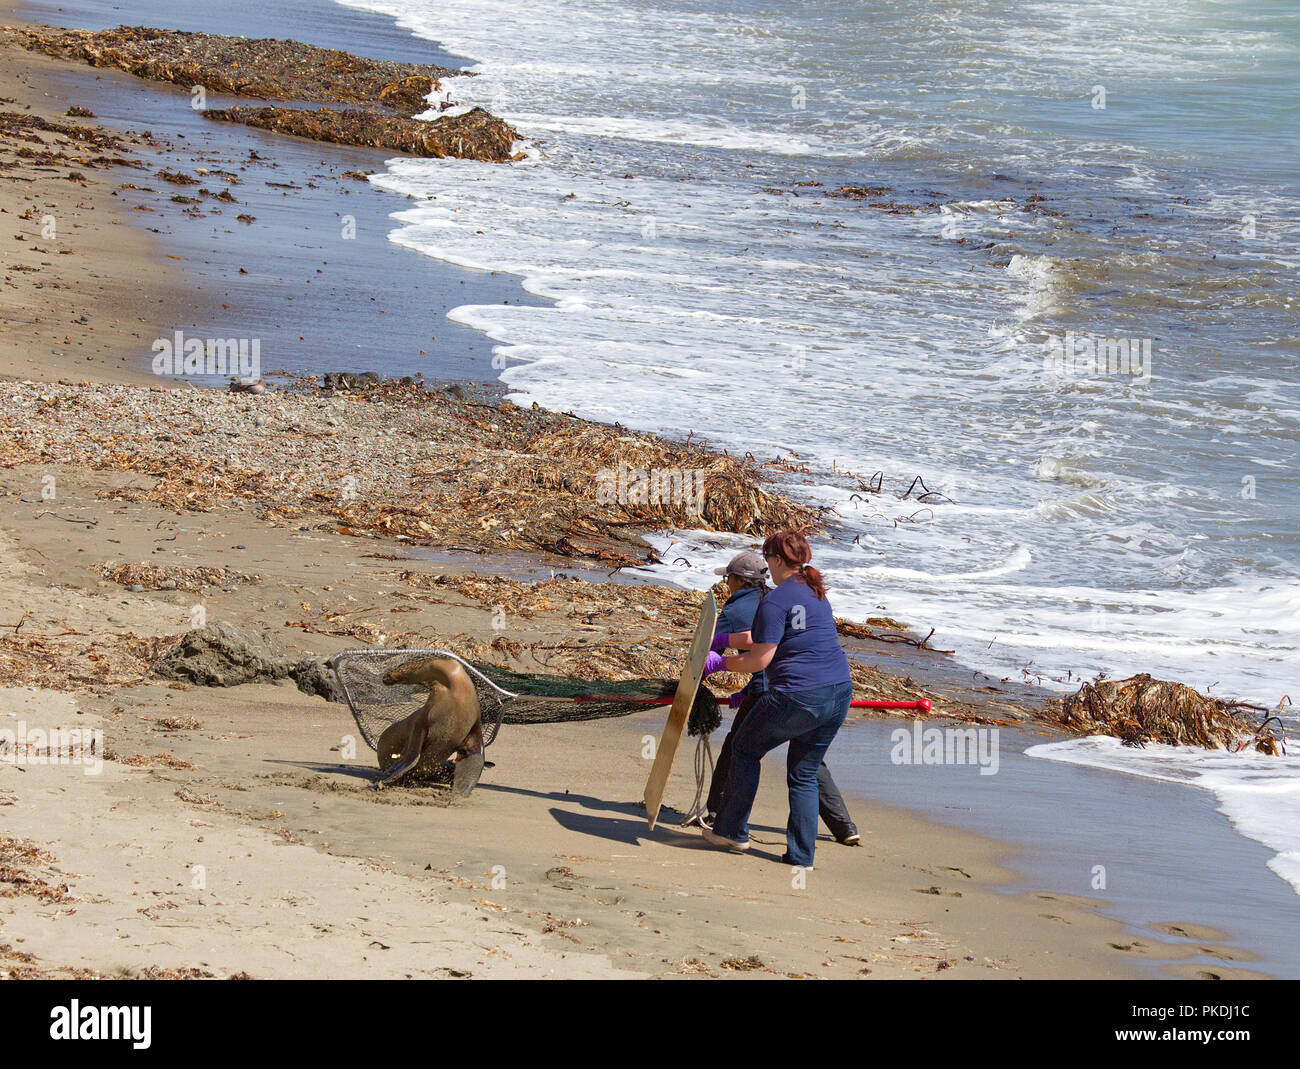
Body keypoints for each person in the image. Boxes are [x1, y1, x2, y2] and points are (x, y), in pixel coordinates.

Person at [700, 531, 854, 869]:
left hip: (798, 696)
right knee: (804, 772)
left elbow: (758, 660)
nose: (768, 565)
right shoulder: (816, 593)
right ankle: (801, 858)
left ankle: (732, 831)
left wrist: (720, 662)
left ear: (778, 561)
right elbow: (780, 643)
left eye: (769, 558)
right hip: (840, 691)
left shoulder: (776, 600)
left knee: (744, 749)